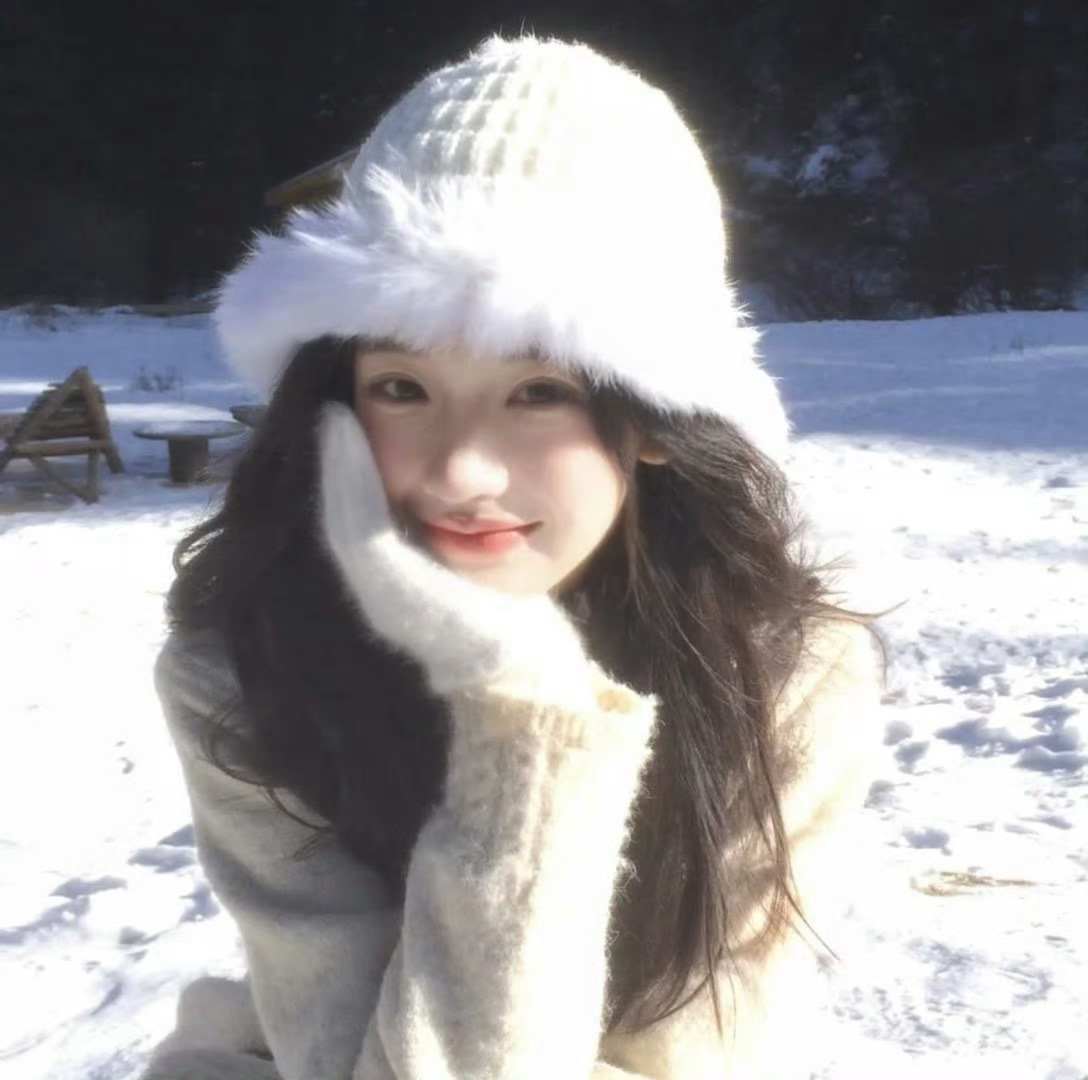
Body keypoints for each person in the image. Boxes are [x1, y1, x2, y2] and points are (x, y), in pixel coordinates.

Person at [140, 34, 883, 1080]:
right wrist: (521, 726)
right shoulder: (245, 667)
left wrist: (531, 714)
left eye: (538, 392)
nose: (460, 472)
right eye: (401, 389)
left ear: (657, 421)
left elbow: (694, 1056)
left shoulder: (780, 673)